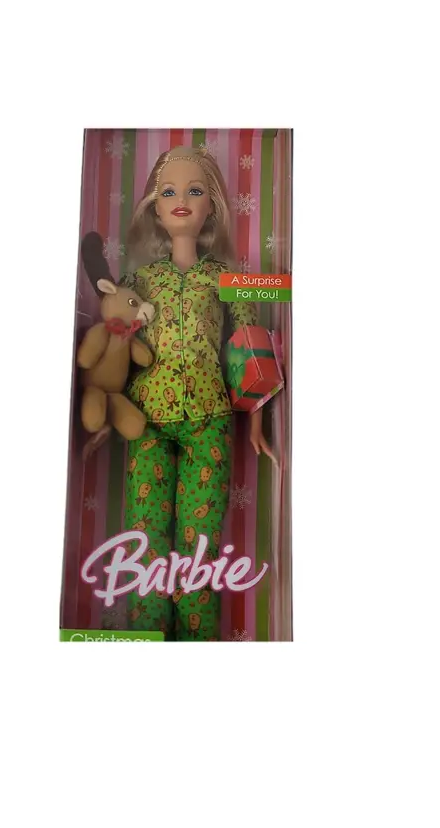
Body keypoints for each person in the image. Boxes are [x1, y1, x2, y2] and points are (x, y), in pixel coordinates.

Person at [120, 145, 277, 641]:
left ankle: (197, 644)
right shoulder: (138, 281)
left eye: (194, 191)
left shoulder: (225, 280)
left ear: (213, 205)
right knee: (145, 541)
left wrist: (256, 420)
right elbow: (115, 346)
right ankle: (147, 639)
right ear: (154, 207)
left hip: (210, 418)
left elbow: (250, 347)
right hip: (146, 419)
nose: (181, 201)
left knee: (200, 547)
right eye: (169, 193)